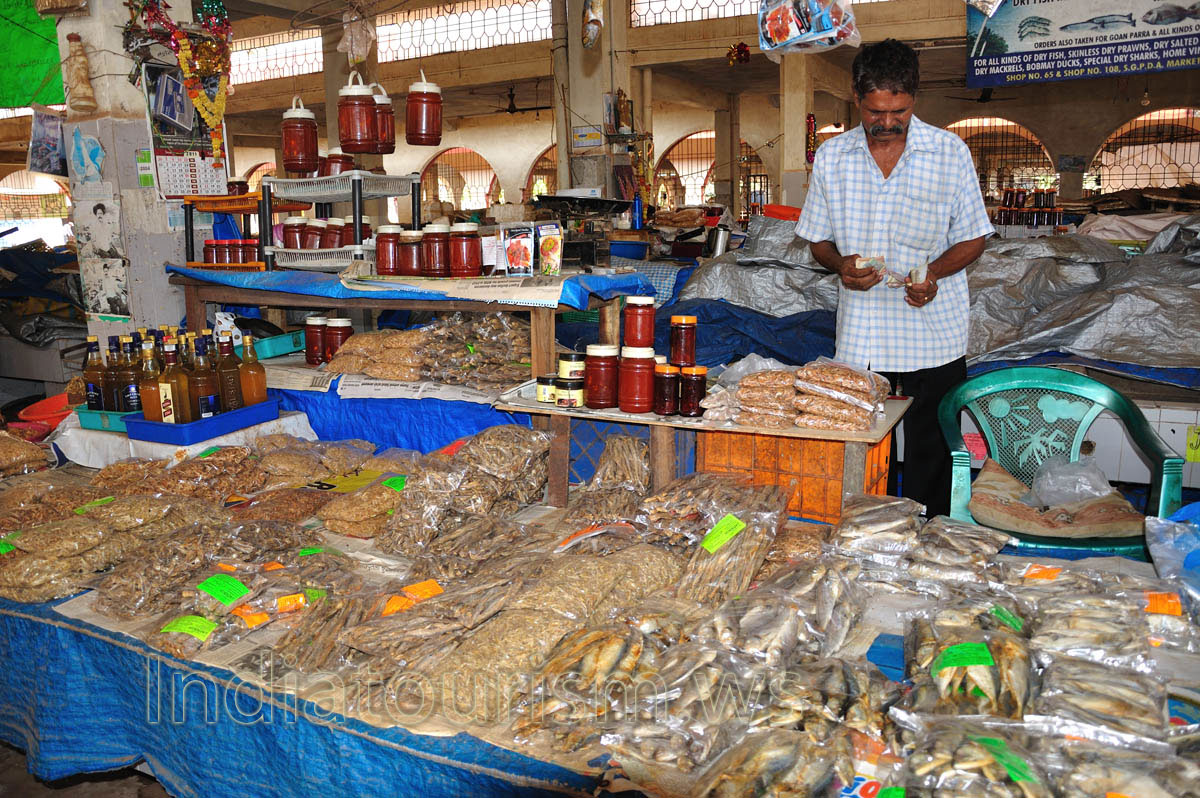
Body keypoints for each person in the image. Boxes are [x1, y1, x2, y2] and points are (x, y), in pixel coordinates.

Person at [795, 39, 993, 516]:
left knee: (932, 452)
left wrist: (935, 273)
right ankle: (863, 537)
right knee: (862, 448)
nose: (886, 122)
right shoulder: (833, 157)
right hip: (863, 334)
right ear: (856, 99)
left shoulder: (949, 153)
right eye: (874, 112)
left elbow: (974, 238)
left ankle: (927, 541)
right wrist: (840, 264)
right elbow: (817, 239)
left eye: (897, 111)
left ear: (915, 99)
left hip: (932, 334)